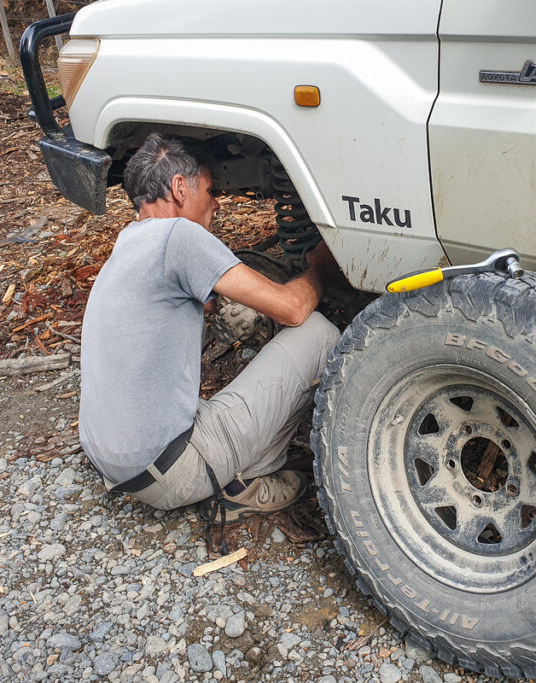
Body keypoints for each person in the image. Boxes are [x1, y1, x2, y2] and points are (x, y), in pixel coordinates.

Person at [78, 133, 340, 522]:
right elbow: (293, 308)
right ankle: (237, 485)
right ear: (179, 189)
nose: (216, 203)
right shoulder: (179, 236)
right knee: (318, 332)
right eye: (210, 189)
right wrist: (321, 265)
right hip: (170, 472)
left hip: (113, 461)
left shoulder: (128, 244)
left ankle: (237, 461)